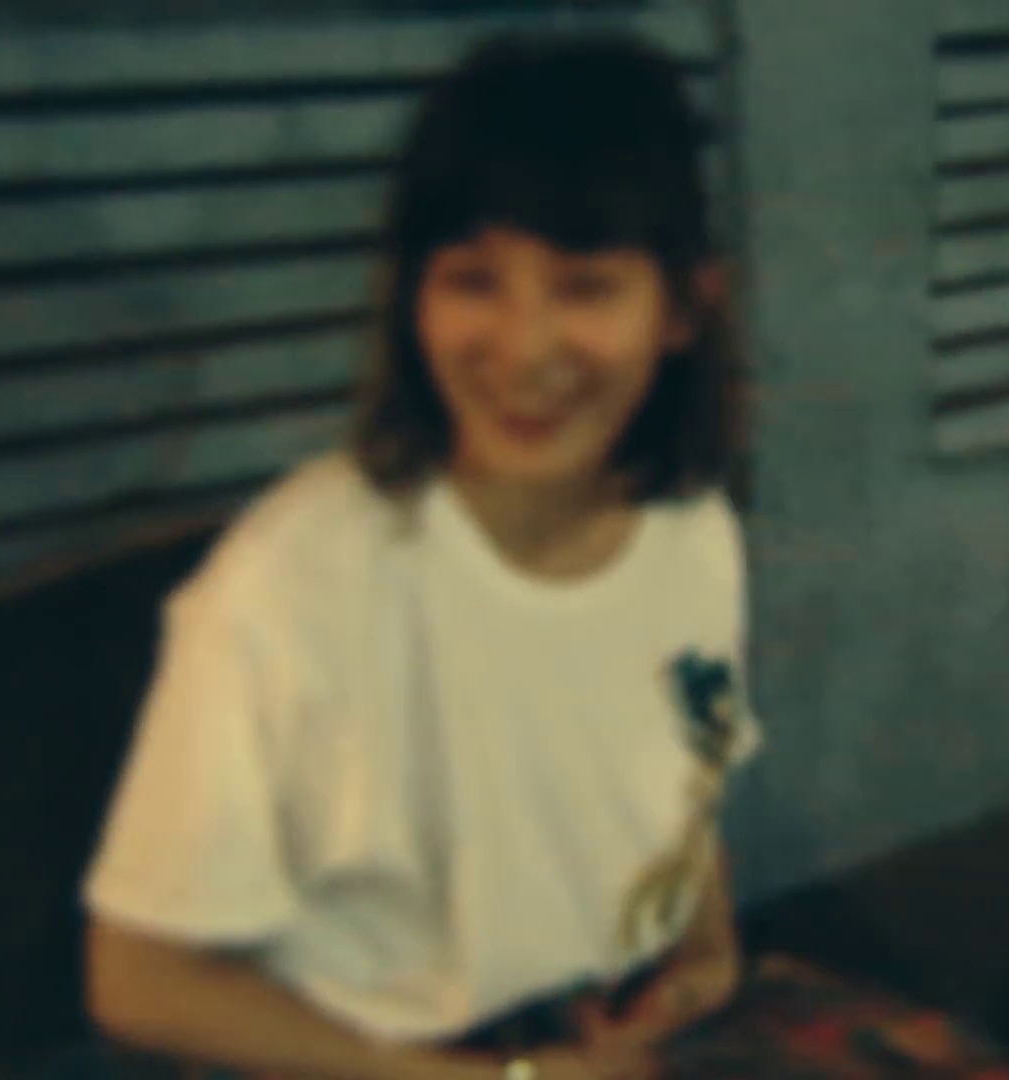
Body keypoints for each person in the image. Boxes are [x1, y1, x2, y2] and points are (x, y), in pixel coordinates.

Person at [80, 30, 758, 1080]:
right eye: (473, 281)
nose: (524, 348)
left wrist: (703, 940)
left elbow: (686, 768)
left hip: (613, 1038)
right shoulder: (290, 586)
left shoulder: (694, 531)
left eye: (585, 287)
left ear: (683, 309)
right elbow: (138, 981)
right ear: (414, 302)